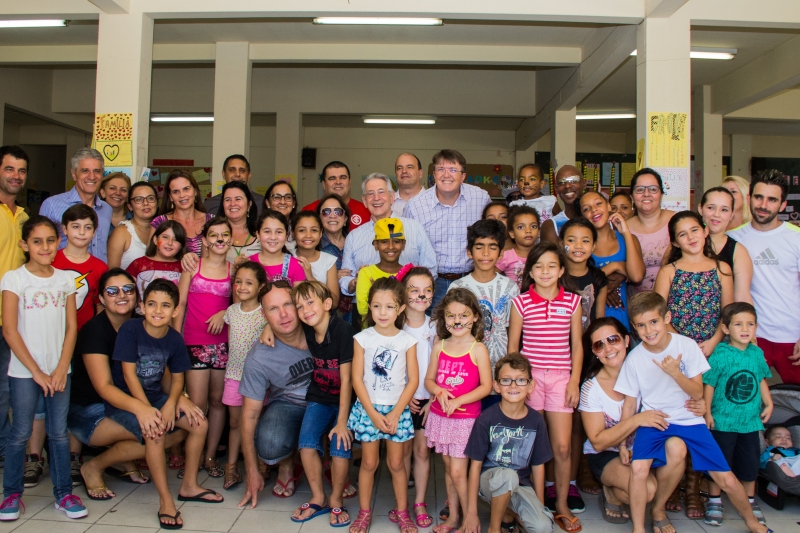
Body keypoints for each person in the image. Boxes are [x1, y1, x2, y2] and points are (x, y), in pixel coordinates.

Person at [616, 292, 770, 533]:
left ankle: (751, 521)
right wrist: (624, 442)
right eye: (641, 325)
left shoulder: (686, 346)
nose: (649, 330)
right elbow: (629, 404)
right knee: (638, 468)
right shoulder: (634, 359)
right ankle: (638, 528)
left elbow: (698, 393)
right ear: (634, 327)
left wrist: (676, 373)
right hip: (655, 420)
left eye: (654, 322)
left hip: (690, 419)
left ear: (667, 317)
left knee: (726, 478)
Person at [70, 268, 203, 500]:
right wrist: (143, 410)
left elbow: (158, 370)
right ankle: (94, 467)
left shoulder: (145, 323)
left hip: (128, 402)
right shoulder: (94, 331)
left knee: (182, 427)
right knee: (155, 429)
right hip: (91, 411)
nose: (121, 295)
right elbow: (105, 387)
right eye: (112, 291)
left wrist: (178, 399)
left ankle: (124, 460)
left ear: (137, 298)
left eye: (128, 289)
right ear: (101, 298)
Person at [112, 279, 223, 528]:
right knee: (155, 432)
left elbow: (177, 377)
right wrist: (146, 410)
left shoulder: (173, 338)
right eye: (151, 304)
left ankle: (189, 485)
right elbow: (129, 375)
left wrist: (173, 402)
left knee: (199, 423)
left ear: (175, 311)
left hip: (155, 396)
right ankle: (166, 501)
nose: (158, 311)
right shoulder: (130, 330)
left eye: (165, 305)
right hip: (127, 398)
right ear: (141, 306)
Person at [0, 215, 86, 521]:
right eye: (37, 241)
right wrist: (37, 372)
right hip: (25, 372)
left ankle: (64, 494)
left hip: (60, 370)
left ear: (59, 242)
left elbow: (71, 329)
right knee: (21, 432)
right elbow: (10, 330)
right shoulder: (14, 278)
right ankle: (11, 494)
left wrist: (62, 367)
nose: (45, 247)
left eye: (51, 240)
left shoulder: (65, 280)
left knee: (59, 433)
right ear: (25, 245)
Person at [580, 317, 707, 524]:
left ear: (627, 341)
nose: (608, 348)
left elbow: (681, 399)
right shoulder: (591, 388)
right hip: (608, 455)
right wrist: (637, 419)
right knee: (646, 490)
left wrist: (700, 405)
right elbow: (598, 442)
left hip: (645, 449)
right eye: (599, 345)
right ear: (594, 352)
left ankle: (658, 509)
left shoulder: (649, 371)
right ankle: (611, 492)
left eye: (613, 339)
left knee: (677, 446)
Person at [507, 242, 584, 531]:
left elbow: (577, 345)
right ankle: (535, 505)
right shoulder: (521, 302)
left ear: (562, 270)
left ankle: (561, 504)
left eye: (552, 265)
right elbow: (514, 349)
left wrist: (574, 380)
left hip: (562, 378)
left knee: (562, 447)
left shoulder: (572, 302)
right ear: (530, 272)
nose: (545, 271)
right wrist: (519, 384)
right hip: (531, 380)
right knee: (529, 447)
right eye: (538, 266)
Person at [347, 277, 419, 533]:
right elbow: (357, 379)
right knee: (368, 463)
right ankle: (364, 513)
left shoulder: (407, 340)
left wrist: (397, 412)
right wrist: (373, 414)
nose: (383, 312)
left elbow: (413, 380)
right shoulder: (362, 338)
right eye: (377, 306)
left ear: (400, 308)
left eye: (389, 307)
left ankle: (402, 512)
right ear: (369, 307)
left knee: (397, 464)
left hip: (396, 410)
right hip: (369, 409)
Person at [237, 281, 314, 507]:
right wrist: (252, 470)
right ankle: (287, 464)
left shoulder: (319, 327)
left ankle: (329, 461)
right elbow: (249, 415)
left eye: (288, 304)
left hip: (328, 400)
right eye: (273, 309)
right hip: (289, 405)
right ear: (264, 314)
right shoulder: (259, 356)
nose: (283, 314)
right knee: (269, 443)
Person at [461, 353, 555, 533]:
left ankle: (510, 514)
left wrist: (539, 506)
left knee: (542, 527)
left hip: (520, 485)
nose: (513, 385)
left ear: (531, 386)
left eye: (521, 380)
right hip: (490, 482)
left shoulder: (536, 421)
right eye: (506, 380)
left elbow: (538, 466)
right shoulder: (486, 418)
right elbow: (475, 466)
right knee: (507, 476)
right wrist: (471, 513)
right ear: (496, 386)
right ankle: (495, 528)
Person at [424, 288, 493, 533]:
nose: (457, 321)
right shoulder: (440, 345)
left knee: (457, 471)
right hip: (441, 417)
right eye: (451, 316)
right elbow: (429, 381)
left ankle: (470, 519)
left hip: (465, 419)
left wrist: (458, 400)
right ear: (444, 319)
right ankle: (453, 517)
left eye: (463, 315)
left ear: (475, 317)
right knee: (448, 470)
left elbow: (486, 387)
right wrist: (440, 392)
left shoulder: (478, 349)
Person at [289, 281, 354, 528]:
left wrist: (341, 422)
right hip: (319, 397)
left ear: (327, 304)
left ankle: (336, 497)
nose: (305, 310)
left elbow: (347, 379)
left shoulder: (342, 330)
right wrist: (266, 331)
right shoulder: (307, 329)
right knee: (306, 443)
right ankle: (318, 498)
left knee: (339, 446)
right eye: (300, 306)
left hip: (344, 401)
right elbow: (280, 327)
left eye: (310, 303)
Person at [703, 302, 773, 527]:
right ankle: (714, 500)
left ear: (756, 327)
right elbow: (710, 384)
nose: (745, 329)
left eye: (750, 324)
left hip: (750, 422)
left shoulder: (756, 353)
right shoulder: (720, 354)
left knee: (749, 464)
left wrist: (769, 403)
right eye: (738, 324)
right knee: (719, 462)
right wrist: (707, 412)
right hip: (723, 420)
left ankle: (749, 501)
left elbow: (761, 377)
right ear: (725, 328)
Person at [174, 218, 233, 480]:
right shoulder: (192, 267)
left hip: (222, 346)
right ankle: (193, 457)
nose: (219, 239)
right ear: (205, 241)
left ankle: (210, 456)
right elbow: (181, 303)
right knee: (197, 404)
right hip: (192, 344)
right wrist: (174, 341)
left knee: (218, 402)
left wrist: (224, 311)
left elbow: (245, 302)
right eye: (214, 235)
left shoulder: (234, 270)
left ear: (231, 240)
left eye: (224, 235)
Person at [728, 169, 800, 385]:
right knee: (745, 401)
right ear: (749, 198)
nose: (763, 204)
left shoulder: (795, 238)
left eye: (772, 199)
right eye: (758, 197)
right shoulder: (733, 238)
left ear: (782, 205)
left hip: (792, 335)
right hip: (752, 336)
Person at [339, 174, 437, 318]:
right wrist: (356, 282)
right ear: (364, 201)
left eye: (381, 192)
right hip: (368, 316)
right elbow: (344, 278)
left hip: (409, 312)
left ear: (392, 197)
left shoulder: (414, 228)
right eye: (370, 194)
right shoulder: (354, 236)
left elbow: (430, 269)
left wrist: (411, 289)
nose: (376, 198)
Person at [405, 150, 490, 309]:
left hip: (471, 280)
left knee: (469, 329)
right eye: (441, 169)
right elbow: (408, 249)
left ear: (463, 176)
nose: (446, 175)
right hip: (431, 284)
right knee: (431, 330)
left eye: (453, 170)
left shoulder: (481, 198)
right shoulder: (415, 206)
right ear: (434, 174)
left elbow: (493, 237)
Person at [655, 211, 733, 356]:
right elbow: (658, 313)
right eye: (682, 234)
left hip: (714, 348)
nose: (691, 237)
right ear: (675, 242)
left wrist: (714, 342)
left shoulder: (721, 268)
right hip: (677, 347)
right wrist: (683, 344)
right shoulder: (668, 272)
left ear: (705, 231)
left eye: (695, 230)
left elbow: (727, 313)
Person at [449, 219, 519, 374]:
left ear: (501, 253)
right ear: (469, 251)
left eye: (492, 247)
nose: (486, 253)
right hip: (466, 368)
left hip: (499, 368)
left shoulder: (510, 288)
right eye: (479, 247)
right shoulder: (457, 287)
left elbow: (513, 332)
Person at [221, 261, 267, 489]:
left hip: (258, 379)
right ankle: (231, 467)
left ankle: (259, 464)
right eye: (238, 282)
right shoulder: (231, 312)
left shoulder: (265, 314)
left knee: (256, 422)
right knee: (236, 423)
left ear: (261, 286)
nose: (242, 286)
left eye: (249, 282)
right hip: (234, 375)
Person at [400, 267, 437, 528]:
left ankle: (420, 502)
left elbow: (444, 367)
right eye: (414, 289)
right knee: (400, 455)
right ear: (403, 293)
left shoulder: (436, 328)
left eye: (427, 290)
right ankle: (401, 503)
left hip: (427, 400)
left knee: (422, 452)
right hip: (401, 399)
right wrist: (404, 393)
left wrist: (434, 399)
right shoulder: (394, 326)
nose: (421, 295)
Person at [0, 145, 29, 468]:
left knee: (5, 390)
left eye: (21, 171)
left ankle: (7, 450)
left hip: (14, 318)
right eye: (9, 169)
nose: (16, 176)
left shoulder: (22, 216)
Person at [579, 191, 645, 326]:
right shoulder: (582, 246)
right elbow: (582, 284)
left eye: (598, 203)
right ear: (583, 216)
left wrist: (626, 232)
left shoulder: (629, 240)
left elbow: (637, 276)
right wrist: (617, 267)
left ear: (609, 206)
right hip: (592, 318)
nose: (594, 210)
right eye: (587, 209)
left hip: (623, 316)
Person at [40, 147, 112, 262]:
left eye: (97, 171)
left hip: (99, 276)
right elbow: (41, 248)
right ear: (74, 174)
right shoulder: (51, 205)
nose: (92, 176)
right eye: (85, 171)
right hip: (64, 276)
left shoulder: (107, 209)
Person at [53, 204, 108, 330]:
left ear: (94, 232)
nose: (82, 232)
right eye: (76, 226)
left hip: (84, 333)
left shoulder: (100, 267)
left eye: (88, 227)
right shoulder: (51, 260)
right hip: (52, 332)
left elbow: (100, 306)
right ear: (64, 229)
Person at [699, 187, 754, 303]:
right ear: (700, 209)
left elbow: (742, 298)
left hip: (725, 319)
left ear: (731, 215)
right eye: (710, 208)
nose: (716, 214)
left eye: (724, 210)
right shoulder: (683, 244)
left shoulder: (738, 251)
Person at [626, 168, 676, 293]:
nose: (646, 194)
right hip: (636, 304)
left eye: (653, 189)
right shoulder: (623, 228)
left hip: (673, 300)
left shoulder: (677, 221)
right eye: (640, 190)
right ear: (632, 196)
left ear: (661, 194)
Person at [560, 218, 608, 332]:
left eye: (585, 241)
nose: (578, 246)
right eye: (571, 240)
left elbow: (599, 320)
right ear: (561, 244)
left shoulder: (599, 279)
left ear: (594, 246)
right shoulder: (554, 277)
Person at [151, 169, 212, 256]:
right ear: (170, 197)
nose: (182, 195)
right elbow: (150, 259)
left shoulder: (211, 221)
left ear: (195, 191)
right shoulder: (159, 222)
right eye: (175, 192)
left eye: (186, 189)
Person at [355, 217, 407, 319]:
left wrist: (376, 295)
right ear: (376, 245)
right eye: (384, 241)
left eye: (396, 241)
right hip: (373, 332)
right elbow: (363, 309)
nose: (391, 246)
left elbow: (412, 308)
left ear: (403, 244)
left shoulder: (409, 273)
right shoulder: (366, 273)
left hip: (404, 332)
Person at [127, 220, 185, 303]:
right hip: (140, 314)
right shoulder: (138, 264)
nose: (170, 243)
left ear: (181, 246)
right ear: (155, 240)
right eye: (165, 237)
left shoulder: (184, 267)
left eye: (175, 239)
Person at [302, 161, 370, 229]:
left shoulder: (366, 211)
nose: (338, 182)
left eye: (343, 177)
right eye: (332, 178)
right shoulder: (309, 211)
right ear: (323, 184)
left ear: (349, 182)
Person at [291, 211, 339, 307]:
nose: (308, 235)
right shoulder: (287, 257)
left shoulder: (328, 260)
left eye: (314, 230)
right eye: (302, 230)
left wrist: (311, 277)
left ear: (321, 233)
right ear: (293, 234)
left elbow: (334, 303)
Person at [316, 194, 353, 320]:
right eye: (326, 212)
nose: (332, 215)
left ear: (345, 218)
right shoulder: (314, 247)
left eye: (338, 211)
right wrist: (331, 277)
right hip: (328, 317)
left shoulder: (356, 241)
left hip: (360, 314)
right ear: (319, 218)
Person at [107, 181, 157, 269]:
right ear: (130, 206)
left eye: (150, 198)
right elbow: (111, 273)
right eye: (138, 199)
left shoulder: (164, 230)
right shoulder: (121, 232)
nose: (145, 203)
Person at [248, 210, 306, 285]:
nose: (273, 237)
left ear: (287, 236)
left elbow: (299, 296)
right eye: (267, 231)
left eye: (279, 232)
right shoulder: (249, 262)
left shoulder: (296, 266)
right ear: (258, 235)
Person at [496, 205, 540, 289]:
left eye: (533, 226)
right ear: (512, 233)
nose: (528, 231)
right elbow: (491, 277)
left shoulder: (544, 254)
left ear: (538, 231)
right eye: (521, 227)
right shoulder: (506, 256)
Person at [217, 181, 260, 263]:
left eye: (238, 199)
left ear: (249, 205)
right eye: (228, 200)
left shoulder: (261, 235)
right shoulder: (213, 235)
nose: (232, 204)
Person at [539, 165, 584, 244]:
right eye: (561, 182)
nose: (567, 186)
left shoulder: (597, 218)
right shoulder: (551, 226)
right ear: (556, 189)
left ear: (584, 184)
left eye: (573, 180)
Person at [392, 152, 426, 217]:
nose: (404, 171)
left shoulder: (433, 202)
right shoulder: (387, 204)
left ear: (420, 173)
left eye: (409, 167)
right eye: (399, 168)